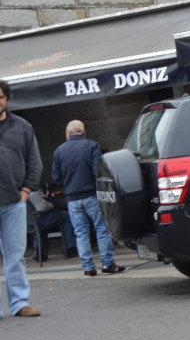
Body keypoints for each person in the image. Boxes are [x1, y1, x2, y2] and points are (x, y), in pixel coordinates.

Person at [52, 120, 125, 276]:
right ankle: (107, 264)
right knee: (102, 229)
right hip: (91, 195)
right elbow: (96, 172)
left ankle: (88, 268)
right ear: (83, 132)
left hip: (72, 198)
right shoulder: (92, 146)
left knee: (80, 232)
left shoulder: (59, 151)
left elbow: (56, 178)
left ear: (68, 134)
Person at [0, 79, 42, 318]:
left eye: (0, 97)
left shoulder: (22, 127)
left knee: (15, 256)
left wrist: (26, 190)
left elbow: (34, 161)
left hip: (14, 201)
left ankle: (19, 303)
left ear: (7, 99)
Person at [27, 190, 77, 261]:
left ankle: (39, 251)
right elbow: (42, 207)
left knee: (40, 226)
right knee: (66, 216)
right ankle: (70, 248)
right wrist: (49, 205)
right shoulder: (30, 192)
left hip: (24, 225)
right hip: (37, 222)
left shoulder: (13, 193)